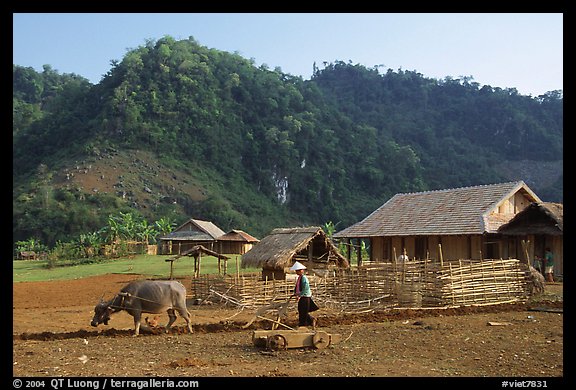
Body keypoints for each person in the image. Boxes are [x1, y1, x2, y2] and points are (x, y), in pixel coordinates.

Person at [290, 261, 319, 329]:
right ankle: (309, 321)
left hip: (305, 297)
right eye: (296, 270)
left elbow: (305, 288)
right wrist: (295, 293)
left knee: (303, 311)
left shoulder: (304, 278)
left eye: (298, 270)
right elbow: (297, 287)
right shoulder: (299, 278)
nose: (296, 272)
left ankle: (303, 324)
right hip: (302, 296)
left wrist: (300, 295)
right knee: (301, 310)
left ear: (302, 271)